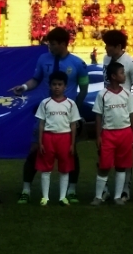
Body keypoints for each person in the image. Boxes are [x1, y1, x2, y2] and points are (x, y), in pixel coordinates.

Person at [8, 27, 89, 204]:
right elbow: (36, 79)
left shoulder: (78, 64)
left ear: (62, 44)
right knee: (35, 150)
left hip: (66, 118)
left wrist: (77, 109)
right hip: (45, 115)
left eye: (52, 44)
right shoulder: (43, 58)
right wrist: (23, 87)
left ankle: (72, 190)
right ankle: (26, 190)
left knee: (71, 153)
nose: (49, 47)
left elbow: (84, 88)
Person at [91, 61, 133, 206]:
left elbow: (132, 115)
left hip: (125, 133)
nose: (124, 75)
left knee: (121, 166)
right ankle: (98, 196)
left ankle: (118, 196)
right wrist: (98, 135)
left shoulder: (126, 94)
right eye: (122, 73)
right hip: (108, 134)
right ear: (113, 76)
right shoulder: (102, 94)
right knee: (104, 166)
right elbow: (98, 116)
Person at [35, 71, 81, 206]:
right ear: (50, 86)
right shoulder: (45, 103)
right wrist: (40, 141)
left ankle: (62, 197)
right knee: (46, 168)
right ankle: (45, 197)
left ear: (65, 86)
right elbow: (41, 123)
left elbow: (73, 125)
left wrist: (72, 144)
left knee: (65, 168)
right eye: (54, 84)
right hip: (48, 137)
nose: (57, 87)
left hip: (65, 138)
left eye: (60, 84)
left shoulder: (71, 104)